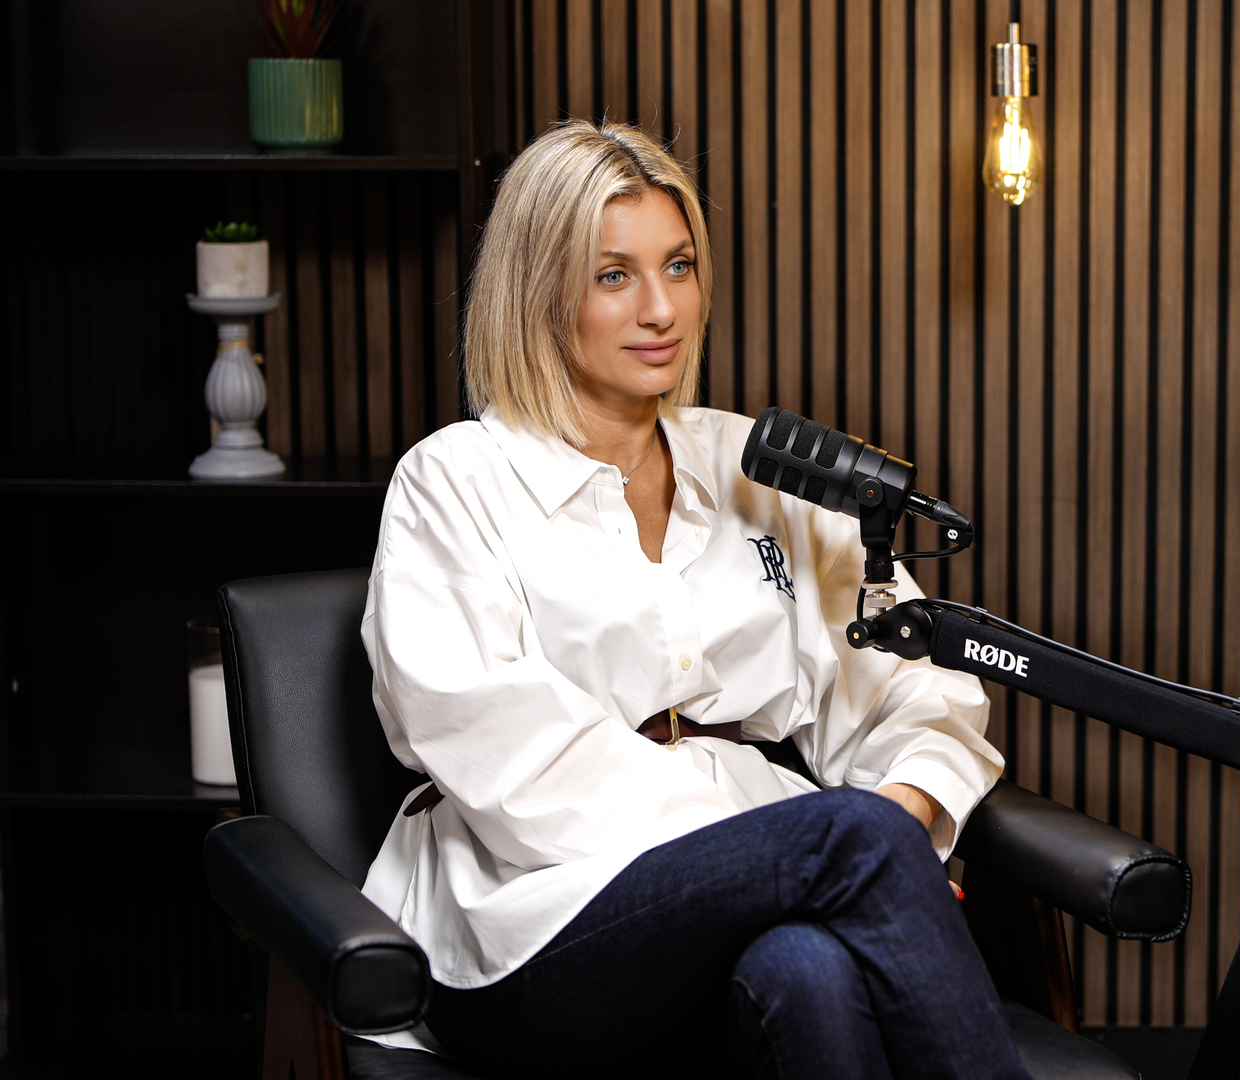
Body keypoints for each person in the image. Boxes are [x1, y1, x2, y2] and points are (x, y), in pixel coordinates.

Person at [356, 119, 1033, 1080]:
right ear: (537, 293)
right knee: (854, 839)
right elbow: (512, 765)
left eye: (678, 266)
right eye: (613, 276)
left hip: (761, 883)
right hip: (528, 923)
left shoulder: (757, 466)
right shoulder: (454, 482)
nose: (661, 309)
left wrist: (903, 810)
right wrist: (801, 847)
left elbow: (911, 687)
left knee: (808, 972)